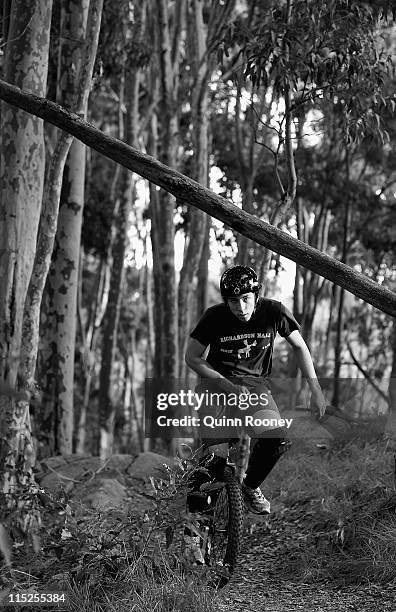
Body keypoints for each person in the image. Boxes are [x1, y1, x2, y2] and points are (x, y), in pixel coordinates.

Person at [185, 265, 327, 516]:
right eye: (233, 301)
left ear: (256, 295)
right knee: (214, 462)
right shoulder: (213, 317)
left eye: (246, 299)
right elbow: (192, 357)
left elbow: (300, 347)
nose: (240, 307)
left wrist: (315, 389)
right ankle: (193, 530)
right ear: (225, 301)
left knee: (277, 438)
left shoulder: (274, 312)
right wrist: (226, 385)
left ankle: (250, 487)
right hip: (215, 388)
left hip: (255, 389)